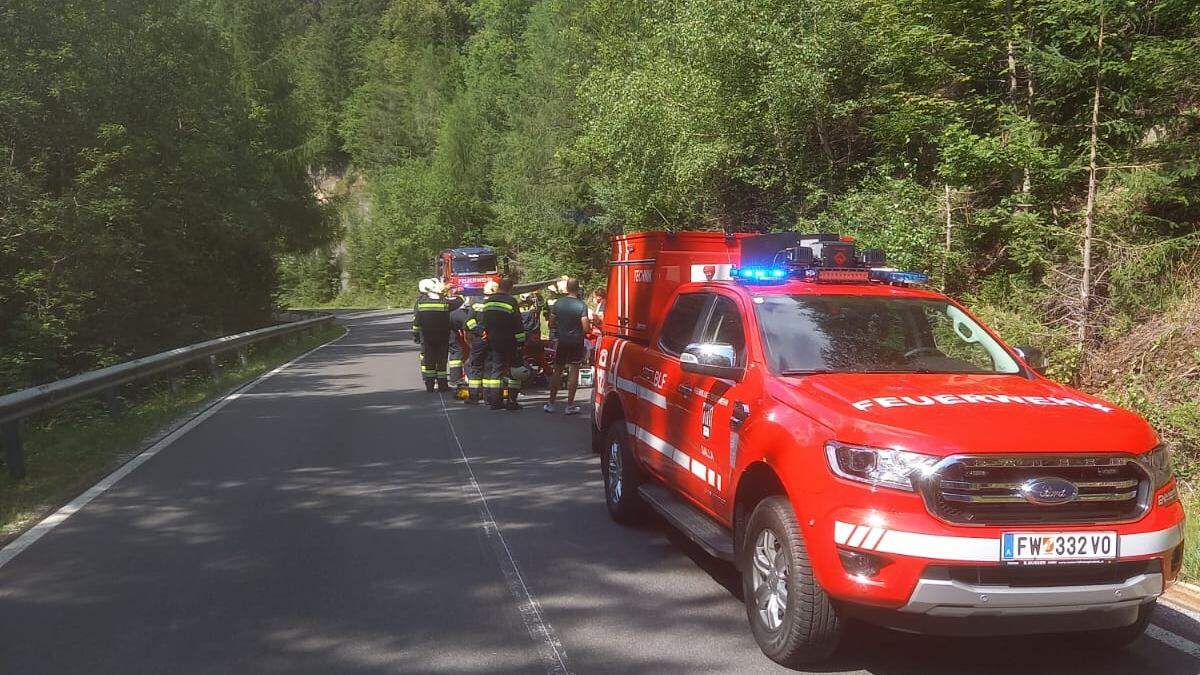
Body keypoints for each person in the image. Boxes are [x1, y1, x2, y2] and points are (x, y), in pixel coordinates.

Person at [479, 277, 528, 410]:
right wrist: (521, 342)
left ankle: (495, 402)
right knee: (515, 370)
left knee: (496, 370)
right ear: (510, 288)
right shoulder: (511, 301)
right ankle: (512, 402)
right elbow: (518, 324)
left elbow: (484, 323)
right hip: (510, 341)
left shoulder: (488, 302)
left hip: (493, 341)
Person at [544, 278, 590, 415]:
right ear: (578, 288)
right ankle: (569, 405)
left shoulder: (558, 303)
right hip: (576, 342)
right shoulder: (582, 306)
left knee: (557, 370)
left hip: (562, 341)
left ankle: (551, 403)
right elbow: (586, 328)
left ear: (566, 289)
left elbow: (551, 323)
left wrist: (561, 328)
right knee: (574, 371)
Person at [412, 278, 462, 392]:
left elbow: (416, 322)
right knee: (441, 361)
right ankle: (443, 386)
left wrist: (416, 335)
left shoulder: (421, 303)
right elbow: (459, 302)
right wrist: (455, 292)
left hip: (428, 337)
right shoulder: (444, 302)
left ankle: (429, 386)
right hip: (443, 337)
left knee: (429, 360)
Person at [462, 295, 490, 405]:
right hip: (494, 339)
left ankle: (474, 397)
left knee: (475, 367)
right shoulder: (500, 302)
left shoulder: (477, 303)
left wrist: (479, 331)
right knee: (490, 367)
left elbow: (469, 322)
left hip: (479, 340)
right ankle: (490, 398)